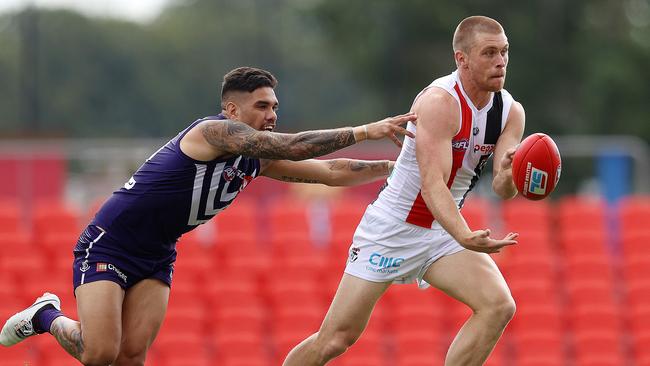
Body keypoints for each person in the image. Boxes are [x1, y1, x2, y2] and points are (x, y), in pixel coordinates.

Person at [0, 66, 416, 366]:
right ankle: (44, 315)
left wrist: (396, 167)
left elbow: (330, 173)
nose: (272, 115)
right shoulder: (212, 132)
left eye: (274, 106)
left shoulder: (255, 157)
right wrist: (365, 131)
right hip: (110, 243)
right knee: (100, 353)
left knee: (130, 358)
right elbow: (293, 146)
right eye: (261, 106)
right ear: (233, 111)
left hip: (158, 253)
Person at [283, 15, 524, 366]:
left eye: (504, 52)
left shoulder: (509, 111)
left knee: (499, 305)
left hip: (443, 229)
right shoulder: (440, 102)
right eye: (489, 53)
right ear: (462, 59)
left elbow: (504, 191)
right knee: (335, 340)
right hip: (394, 226)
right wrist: (465, 235)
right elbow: (431, 185)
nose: (500, 61)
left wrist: (509, 172)